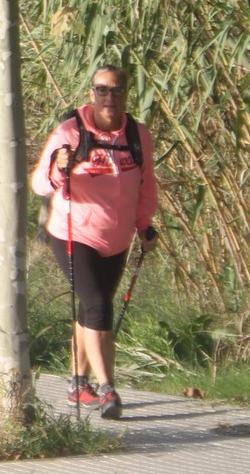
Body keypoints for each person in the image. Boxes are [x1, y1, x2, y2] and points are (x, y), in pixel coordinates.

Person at [33, 64, 160, 420]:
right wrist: (59, 168)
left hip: (117, 239)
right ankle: (108, 390)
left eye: (117, 90)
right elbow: (40, 184)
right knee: (98, 305)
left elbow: (146, 185)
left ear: (126, 94)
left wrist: (144, 226)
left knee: (89, 310)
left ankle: (77, 384)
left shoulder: (137, 135)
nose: (109, 97)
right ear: (91, 94)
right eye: (102, 90)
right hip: (75, 234)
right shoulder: (70, 131)